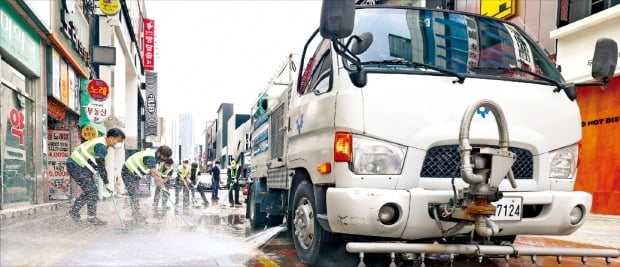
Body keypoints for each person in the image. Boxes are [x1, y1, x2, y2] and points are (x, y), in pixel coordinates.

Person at [67, 128, 125, 225]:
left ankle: (75, 211)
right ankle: (90, 217)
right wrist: (107, 183)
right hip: (75, 165)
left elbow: (94, 163)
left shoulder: (102, 143)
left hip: (78, 166)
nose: (119, 143)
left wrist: (91, 174)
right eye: (119, 141)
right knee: (92, 190)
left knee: (90, 190)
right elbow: (101, 166)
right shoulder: (101, 146)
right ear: (111, 138)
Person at [121, 145, 172, 224]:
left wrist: (160, 184)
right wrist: (164, 188)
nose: (163, 160)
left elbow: (153, 174)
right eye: (163, 158)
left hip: (133, 175)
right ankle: (136, 217)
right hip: (128, 172)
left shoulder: (156, 157)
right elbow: (155, 174)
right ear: (159, 154)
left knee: (135, 194)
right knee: (134, 194)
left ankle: (136, 215)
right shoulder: (151, 157)